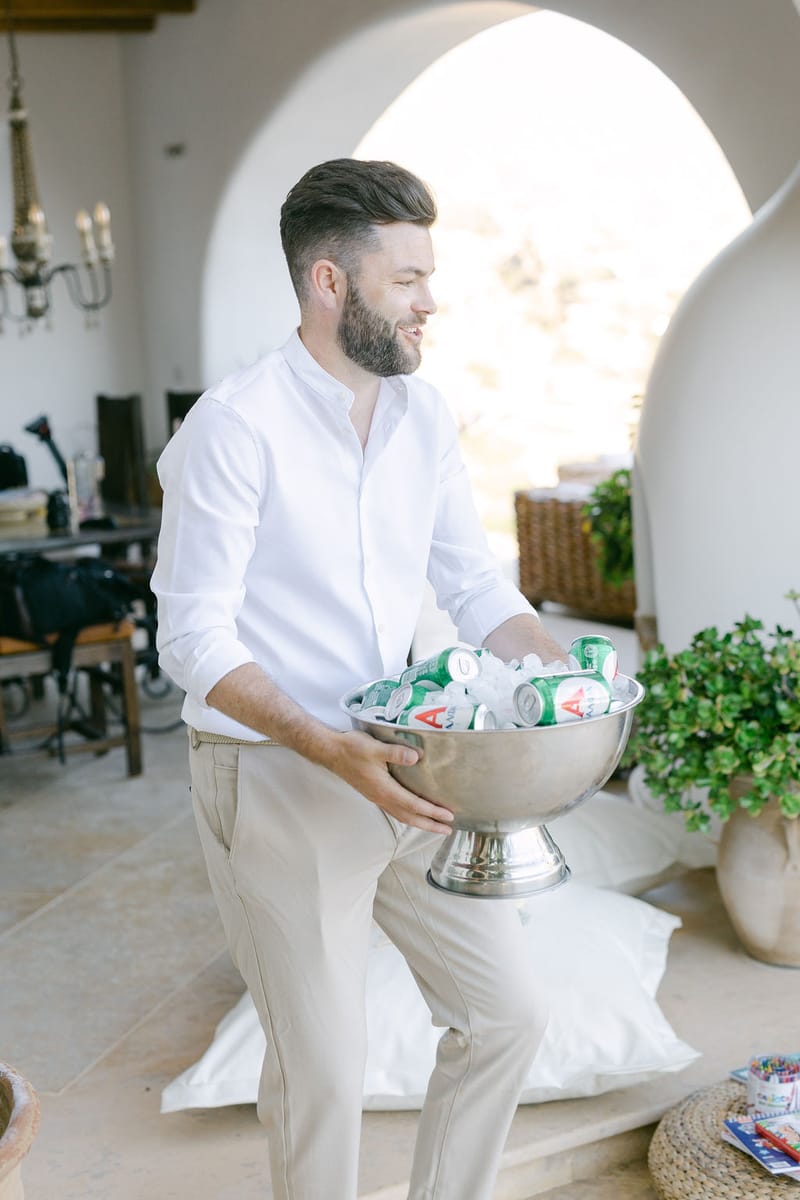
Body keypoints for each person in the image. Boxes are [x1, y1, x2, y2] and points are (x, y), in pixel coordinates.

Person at [151, 158, 570, 1200]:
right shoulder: (232, 428)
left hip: (408, 762)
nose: (431, 301)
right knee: (324, 1075)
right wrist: (323, 746)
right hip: (277, 773)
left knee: (506, 1014)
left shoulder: (421, 419)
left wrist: (562, 679)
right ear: (329, 284)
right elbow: (191, 637)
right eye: (406, 279)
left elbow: (470, 580)